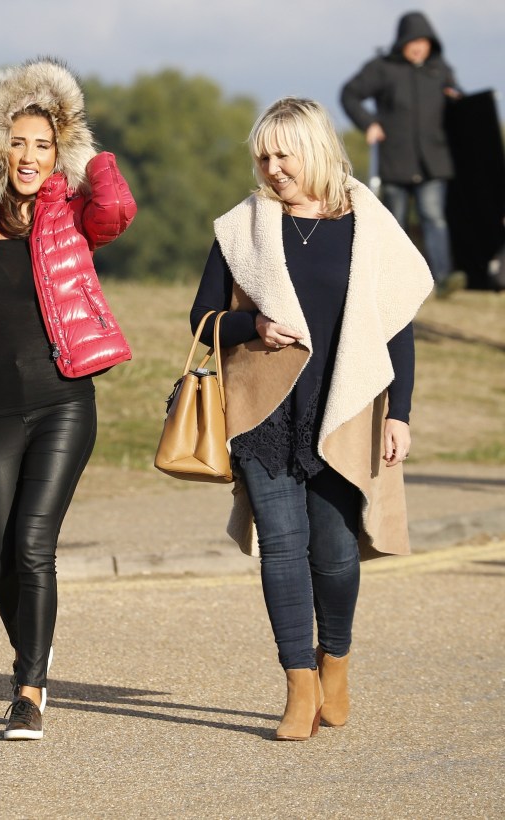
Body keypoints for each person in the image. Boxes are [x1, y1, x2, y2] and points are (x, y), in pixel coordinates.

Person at [190, 98, 433, 741]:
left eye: (282, 154)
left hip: (344, 408)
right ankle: (298, 684)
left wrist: (399, 414)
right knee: (282, 548)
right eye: (263, 157)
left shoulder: (368, 225)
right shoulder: (245, 226)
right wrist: (255, 324)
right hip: (264, 411)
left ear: (316, 149)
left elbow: (397, 326)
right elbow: (203, 317)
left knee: (333, 553)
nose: (271, 169)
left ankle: (337, 662)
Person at [0, 59, 136, 741]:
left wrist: (90, 152)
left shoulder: (71, 206)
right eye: (18, 142)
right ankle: (33, 650)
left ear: (60, 151)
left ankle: (30, 690)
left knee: (31, 544)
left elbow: (118, 211)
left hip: (62, 402)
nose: (29, 156)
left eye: (44, 144)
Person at [341, 11, 465, 296]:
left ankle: (443, 280)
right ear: (402, 42)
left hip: (433, 160)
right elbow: (350, 93)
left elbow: (457, 100)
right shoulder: (382, 68)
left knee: (434, 218)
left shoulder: (439, 69)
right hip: (395, 160)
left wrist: (457, 99)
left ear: (431, 43)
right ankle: (395, 281)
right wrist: (368, 123)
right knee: (394, 221)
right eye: (413, 41)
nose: (418, 46)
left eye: (424, 41)